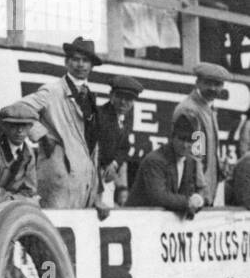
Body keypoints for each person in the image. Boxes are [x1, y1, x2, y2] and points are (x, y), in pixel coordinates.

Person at [19, 36, 101, 208]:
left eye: (85, 60)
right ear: (67, 62)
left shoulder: (91, 97)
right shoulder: (52, 91)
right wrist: (42, 135)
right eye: (75, 59)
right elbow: (18, 109)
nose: (80, 65)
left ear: (91, 66)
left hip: (83, 180)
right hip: (58, 176)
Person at [127, 114, 207, 217]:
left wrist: (198, 200)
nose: (185, 145)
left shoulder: (191, 162)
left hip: (162, 223)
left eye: (190, 141)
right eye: (182, 139)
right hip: (138, 219)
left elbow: (190, 192)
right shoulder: (155, 160)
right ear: (172, 136)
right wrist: (188, 202)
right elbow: (158, 197)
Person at [173, 62, 230, 205]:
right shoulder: (191, 109)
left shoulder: (207, 107)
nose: (213, 88)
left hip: (206, 186)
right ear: (197, 83)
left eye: (217, 84)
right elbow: (192, 153)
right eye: (208, 83)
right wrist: (200, 189)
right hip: (193, 189)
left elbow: (206, 149)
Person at [96, 75, 143, 206]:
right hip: (93, 179)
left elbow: (124, 147)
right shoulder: (99, 116)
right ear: (111, 95)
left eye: (128, 99)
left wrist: (115, 164)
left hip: (107, 178)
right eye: (119, 96)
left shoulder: (123, 118)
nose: (123, 102)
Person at [0, 102, 40, 204]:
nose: (20, 131)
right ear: (4, 126)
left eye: (24, 126)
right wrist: (21, 200)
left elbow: (30, 190)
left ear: (30, 127)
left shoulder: (29, 153)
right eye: (14, 126)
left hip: (12, 207)